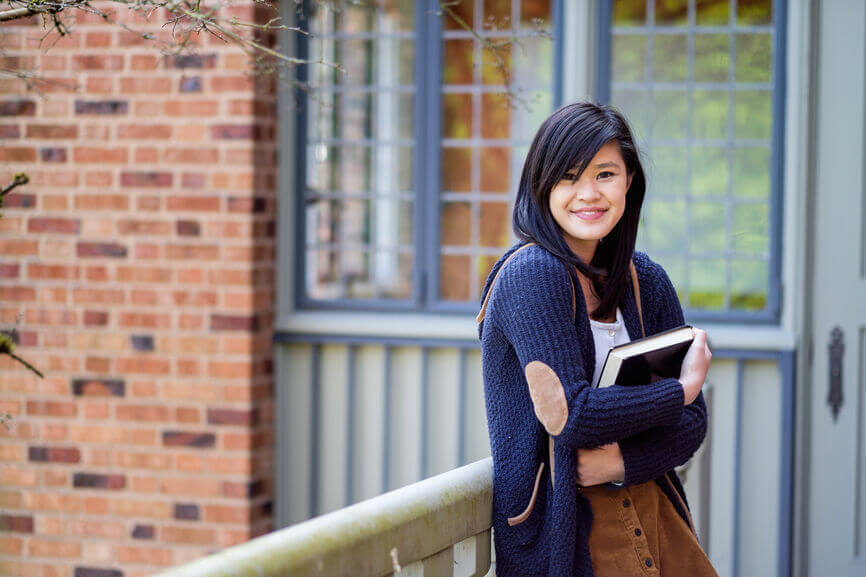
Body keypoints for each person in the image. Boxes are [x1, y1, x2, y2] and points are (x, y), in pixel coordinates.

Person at [476, 101, 717, 577]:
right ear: (542, 186)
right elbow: (573, 416)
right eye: (568, 177)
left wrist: (620, 463)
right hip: (565, 534)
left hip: (652, 518)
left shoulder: (645, 280)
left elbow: (692, 425)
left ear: (629, 180)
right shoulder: (531, 275)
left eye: (605, 174)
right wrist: (680, 389)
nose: (588, 194)